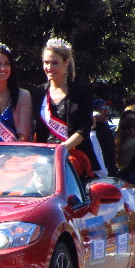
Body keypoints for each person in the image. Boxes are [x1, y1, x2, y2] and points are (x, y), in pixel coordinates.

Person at [32, 38, 100, 174]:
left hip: (73, 155)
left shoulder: (81, 92)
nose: (49, 68)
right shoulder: (37, 93)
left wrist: (62, 149)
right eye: (46, 63)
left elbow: (83, 130)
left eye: (55, 63)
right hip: (43, 157)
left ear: (66, 63)